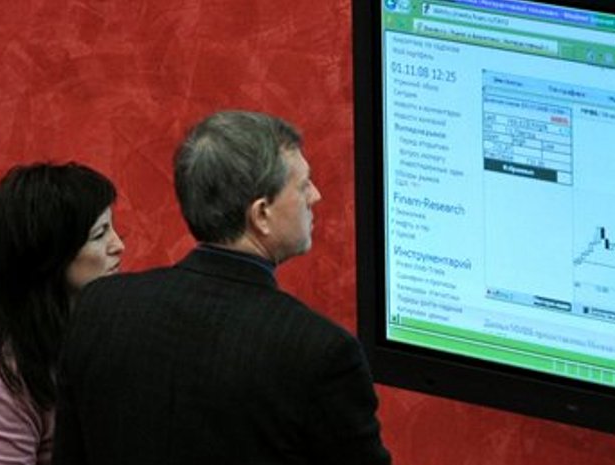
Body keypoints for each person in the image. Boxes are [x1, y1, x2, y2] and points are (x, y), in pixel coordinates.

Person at [52, 110, 391, 465]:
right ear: (261, 214)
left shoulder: (100, 306)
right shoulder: (321, 353)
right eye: (303, 185)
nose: (316, 196)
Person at [0, 162, 125, 465]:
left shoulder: (120, 324)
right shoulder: (7, 383)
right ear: (51, 255)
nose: (119, 246)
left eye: (112, 228)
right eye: (99, 234)